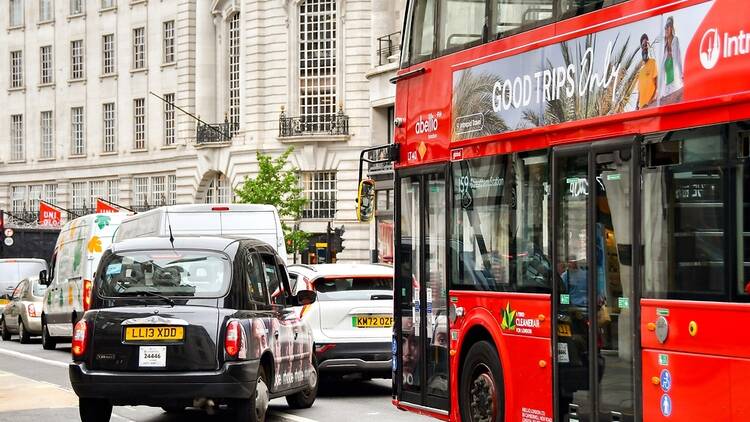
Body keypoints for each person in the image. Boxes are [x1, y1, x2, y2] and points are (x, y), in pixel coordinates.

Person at [659, 17, 684, 105]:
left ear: (672, 28)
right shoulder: (665, 50)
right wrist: (661, 93)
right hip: (667, 88)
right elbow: (662, 73)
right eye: (665, 27)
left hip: (676, 85)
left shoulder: (675, 40)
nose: (666, 28)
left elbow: (678, 60)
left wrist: (682, 77)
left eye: (668, 26)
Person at [636, 33, 659, 110]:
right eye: (643, 45)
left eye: (646, 45)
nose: (645, 47)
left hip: (651, 107)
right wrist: (636, 105)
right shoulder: (640, 70)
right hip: (641, 110)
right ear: (641, 48)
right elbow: (639, 91)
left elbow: (657, 86)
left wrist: (650, 103)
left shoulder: (653, 62)